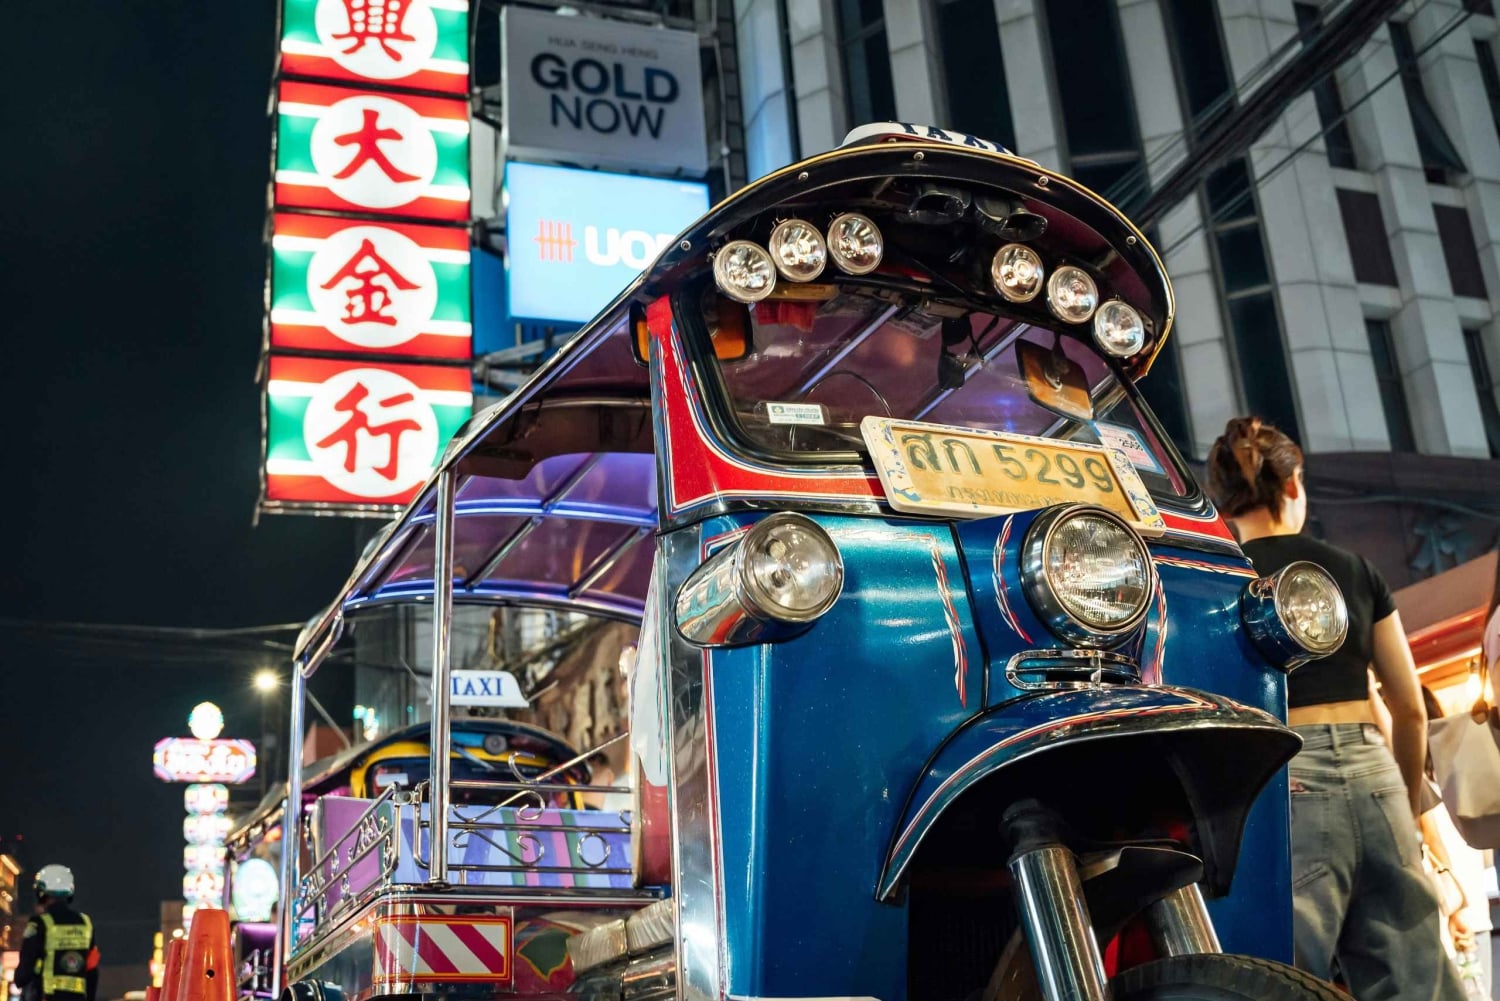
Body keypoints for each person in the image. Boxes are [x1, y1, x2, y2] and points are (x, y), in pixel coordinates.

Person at [1206, 416, 1463, 1001]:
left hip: (1284, 776)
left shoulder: (1221, 581)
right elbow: (1408, 706)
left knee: (1286, 976)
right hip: (1376, 774)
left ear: (1221, 501)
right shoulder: (1354, 569)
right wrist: (1400, 803)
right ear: (1293, 486)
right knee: (1417, 976)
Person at [13, 865, 99, 1001]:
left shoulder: (39, 924)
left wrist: (20, 979)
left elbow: (25, 968)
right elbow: (92, 969)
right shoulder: (85, 923)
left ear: (42, 892)